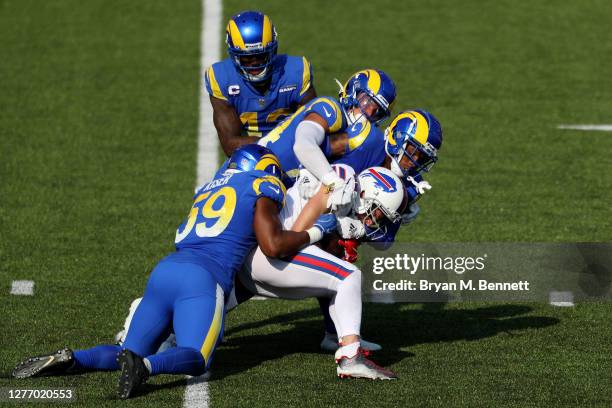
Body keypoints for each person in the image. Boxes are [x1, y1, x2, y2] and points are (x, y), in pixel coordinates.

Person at [12, 145, 338, 399]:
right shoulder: (263, 184)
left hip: (165, 271)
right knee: (197, 358)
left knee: (129, 350)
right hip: (201, 278)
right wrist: (317, 230)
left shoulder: (209, 189)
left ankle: (73, 358)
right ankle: (146, 368)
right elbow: (273, 245)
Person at [205, 10, 317, 155]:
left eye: (261, 56)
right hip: (250, 157)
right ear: (234, 56)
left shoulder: (295, 72)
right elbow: (230, 145)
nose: (254, 64)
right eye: (246, 58)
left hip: (295, 155)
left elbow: (314, 125)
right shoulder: (222, 78)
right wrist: (281, 141)